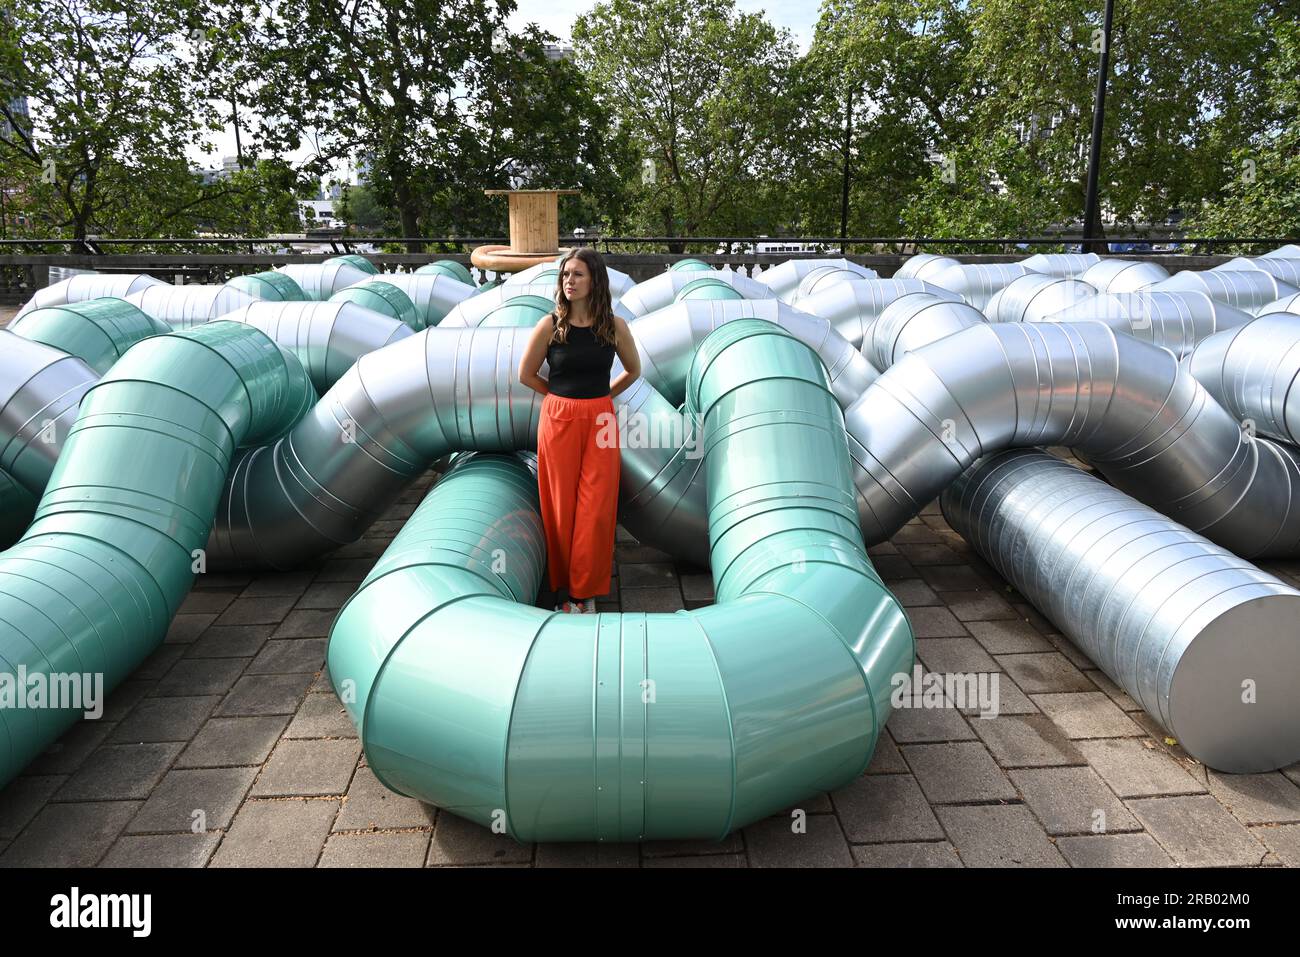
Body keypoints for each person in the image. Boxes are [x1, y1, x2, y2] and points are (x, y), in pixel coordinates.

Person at [518, 248, 642, 613]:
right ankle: (563, 586)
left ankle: (582, 592)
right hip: (559, 420)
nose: (569, 281)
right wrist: (560, 400)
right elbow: (525, 374)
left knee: (596, 506)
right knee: (560, 505)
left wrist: (602, 396)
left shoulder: (614, 326)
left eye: (577, 275)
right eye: (565, 275)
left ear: (595, 281)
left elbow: (633, 370)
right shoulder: (550, 324)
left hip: (601, 419)